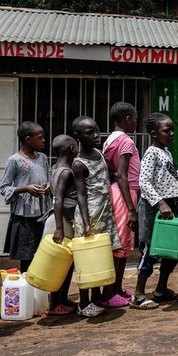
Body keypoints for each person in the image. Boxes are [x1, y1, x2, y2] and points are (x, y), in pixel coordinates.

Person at [71, 116, 121, 317]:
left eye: (97, 130)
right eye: (89, 133)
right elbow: (81, 194)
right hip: (90, 216)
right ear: (78, 137)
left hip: (106, 214)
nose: (96, 135)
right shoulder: (79, 164)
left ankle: (98, 297)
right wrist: (86, 222)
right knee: (87, 260)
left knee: (102, 257)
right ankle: (84, 303)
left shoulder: (99, 154)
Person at [131, 113, 178, 310]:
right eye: (167, 130)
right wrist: (160, 203)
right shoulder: (151, 153)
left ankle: (161, 289)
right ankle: (139, 294)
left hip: (169, 206)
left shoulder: (167, 152)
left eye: (172, 130)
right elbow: (144, 182)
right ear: (154, 133)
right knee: (149, 251)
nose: (171, 134)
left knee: (170, 250)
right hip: (154, 209)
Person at [0, 121, 51, 273]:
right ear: (28, 139)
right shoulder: (14, 160)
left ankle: (39, 290)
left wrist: (48, 187)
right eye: (40, 137)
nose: (43, 140)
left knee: (43, 252)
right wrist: (24, 189)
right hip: (24, 216)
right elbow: (4, 188)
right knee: (27, 256)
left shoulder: (42, 158)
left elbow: (47, 179)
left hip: (42, 214)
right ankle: (26, 288)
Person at [101, 102, 139, 306]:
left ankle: (116, 288)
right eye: (134, 118)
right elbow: (123, 175)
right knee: (119, 243)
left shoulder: (110, 140)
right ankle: (108, 294)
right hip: (125, 194)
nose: (136, 122)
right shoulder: (124, 141)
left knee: (124, 244)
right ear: (127, 119)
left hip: (118, 192)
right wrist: (131, 209)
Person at [42, 135, 80, 316]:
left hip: (58, 219)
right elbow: (58, 199)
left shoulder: (54, 168)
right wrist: (59, 228)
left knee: (64, 262)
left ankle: (62, 299)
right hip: (62, 220)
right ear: (71, 149)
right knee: (61, 263)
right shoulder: (66, 172)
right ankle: (55, 304)